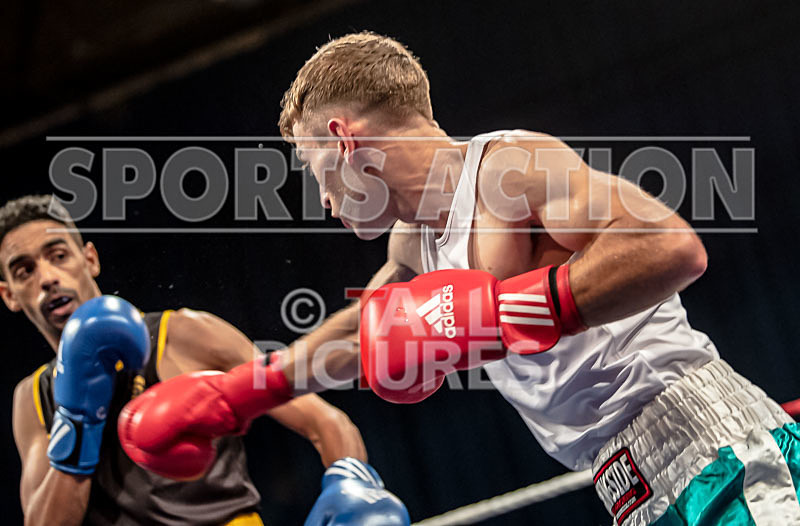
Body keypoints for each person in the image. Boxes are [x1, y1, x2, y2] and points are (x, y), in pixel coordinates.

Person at [119, 32, 800, 525]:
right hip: (629, 483)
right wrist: (241, 394)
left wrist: (508, 313)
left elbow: (670, 246)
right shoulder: (414, 239)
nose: (322, 198)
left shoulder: (509, 168)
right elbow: (363, 333)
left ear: (343, 140)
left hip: (707, 441)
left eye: (312, 167)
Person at [0, 194, 380, 525]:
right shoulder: (32, 398)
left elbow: (325, 422)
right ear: (10, 295)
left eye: (58, 256)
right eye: (25, 271)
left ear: (90, 259)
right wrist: (77, 425)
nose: (46, 278)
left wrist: (352, 488)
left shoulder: (182, 335)